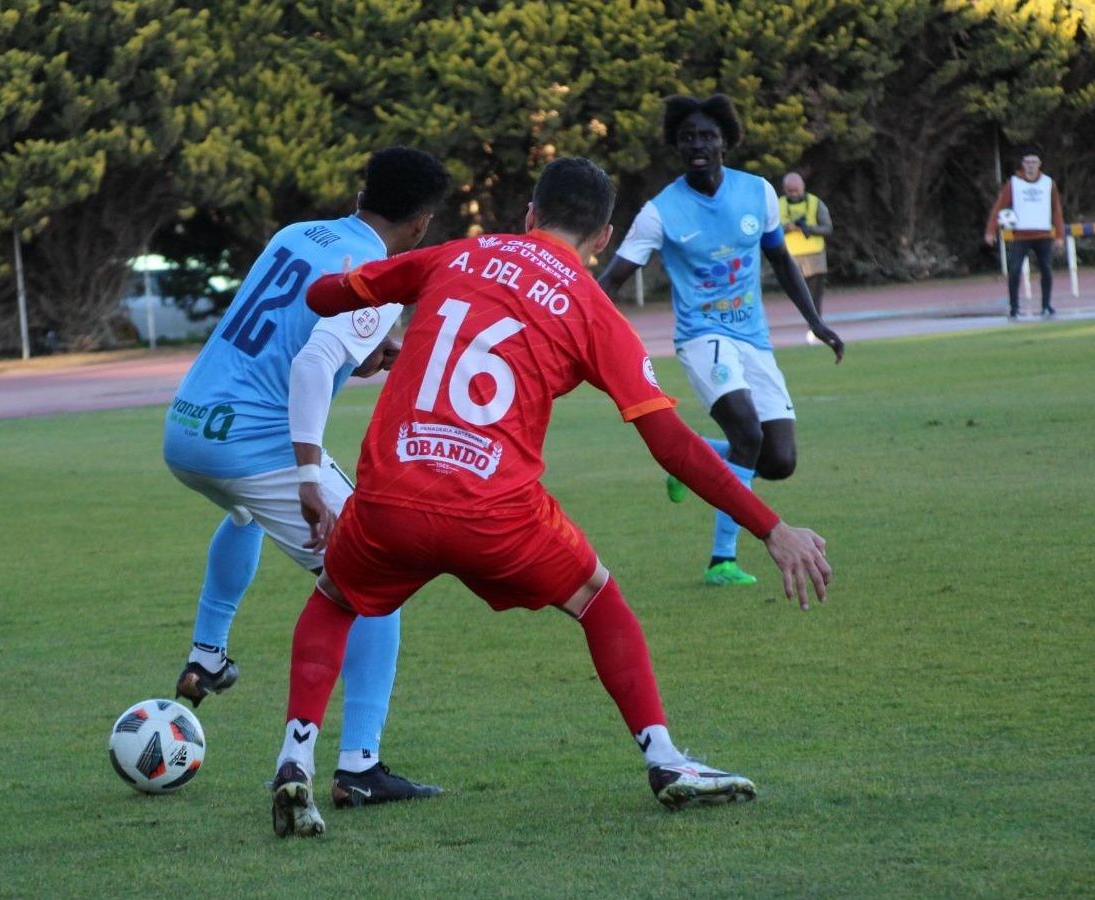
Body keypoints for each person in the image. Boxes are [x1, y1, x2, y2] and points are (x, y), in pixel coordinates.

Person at [268, 157, 833, 838]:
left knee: (335, 600)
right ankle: (664, 759)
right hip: (495, 512)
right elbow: (671, 444)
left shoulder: (458, 253)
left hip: (392, 496)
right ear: (604, 238)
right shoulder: (594, 309)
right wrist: (771, 528)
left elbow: (324, 297)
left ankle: (295, 758)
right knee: (599, 599)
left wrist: (353, 289)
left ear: (530, 214)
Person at [162, 147, 451, 806]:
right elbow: (311, 367)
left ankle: (207, 655)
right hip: (251, 443)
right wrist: (308, 472)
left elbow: (285, 330)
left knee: (244, 514)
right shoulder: (373, 275)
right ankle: (359, 766)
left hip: (186, 427)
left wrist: (367, 353)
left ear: (362, 194)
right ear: (422, 223)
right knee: (377, 577)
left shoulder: (299, 234)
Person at [596, 94, 843, 588]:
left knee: (780, 460)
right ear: (676, 145)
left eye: (707, 136)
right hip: (701, 337)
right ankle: (722, 560)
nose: (698, 145)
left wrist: (816, 322)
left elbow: (781, 260)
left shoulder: (757, 193)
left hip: (753, 339)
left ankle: (696, 459)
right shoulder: (660, 212)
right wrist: (572, 320)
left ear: (725, 141)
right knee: (748, 435)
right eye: (687, 138)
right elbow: (613, 279)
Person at [984, 145, 1065, 319]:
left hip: (1043, 234)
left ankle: (1046, 305)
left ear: (1039, 164)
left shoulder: (1048, 183)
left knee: (1046, 270)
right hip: (1020, 235)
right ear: (1022, 164)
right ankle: (1014, 307)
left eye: (1034, 162)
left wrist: (1059, 235)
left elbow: (1056, 210)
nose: (1030, 166)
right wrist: (991, 230)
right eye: (1027, 162)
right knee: (1014, 271)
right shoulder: (1014, 183)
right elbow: (999, 206)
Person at [778, 172, 834, 343]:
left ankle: (815, 329)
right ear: (784, 189)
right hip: (791, 257)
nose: (794, 194)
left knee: (814, 296)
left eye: (797, 190)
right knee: (800, 296)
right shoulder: (778, 205)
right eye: (790, 191)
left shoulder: (815, 203)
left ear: (803, 187)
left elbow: (827, 228)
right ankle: (812, 325)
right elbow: (770, 229)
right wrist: (787, 227)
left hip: (814, 257)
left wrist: (808, 228)